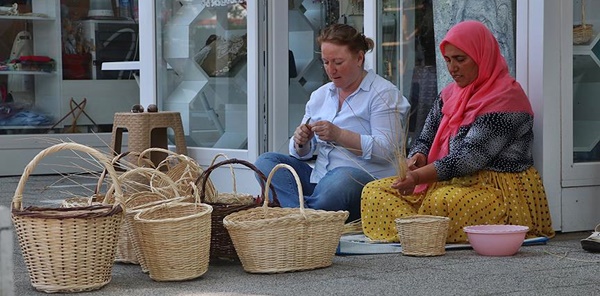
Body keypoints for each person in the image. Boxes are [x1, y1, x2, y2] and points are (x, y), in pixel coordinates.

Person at [361, 20, 555, 243]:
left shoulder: (506, 99)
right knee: (373, 192)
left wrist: (416, 177)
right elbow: (426, 135)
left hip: (497, 188)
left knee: (442, 202)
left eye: (460, 59)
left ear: (482, 56)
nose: (452, 67)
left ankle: (418, 229)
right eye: (448, 60)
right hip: (447, 180)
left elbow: (468, 159)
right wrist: (418, 156)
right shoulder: (449, 94)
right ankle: (420, 231)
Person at [255, 24, 410, 222]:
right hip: (319, 180)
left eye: (338, 62)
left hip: (363, 185)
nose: (331, 70)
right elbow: (301, 155)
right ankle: (305, 217)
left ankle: (295, 215)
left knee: (341, 178)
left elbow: (387, 150)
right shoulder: (320, 95)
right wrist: (301, 141)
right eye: (326, 62)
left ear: (359, 58)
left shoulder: (382, 94)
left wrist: (339, 135)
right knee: (266, 162)